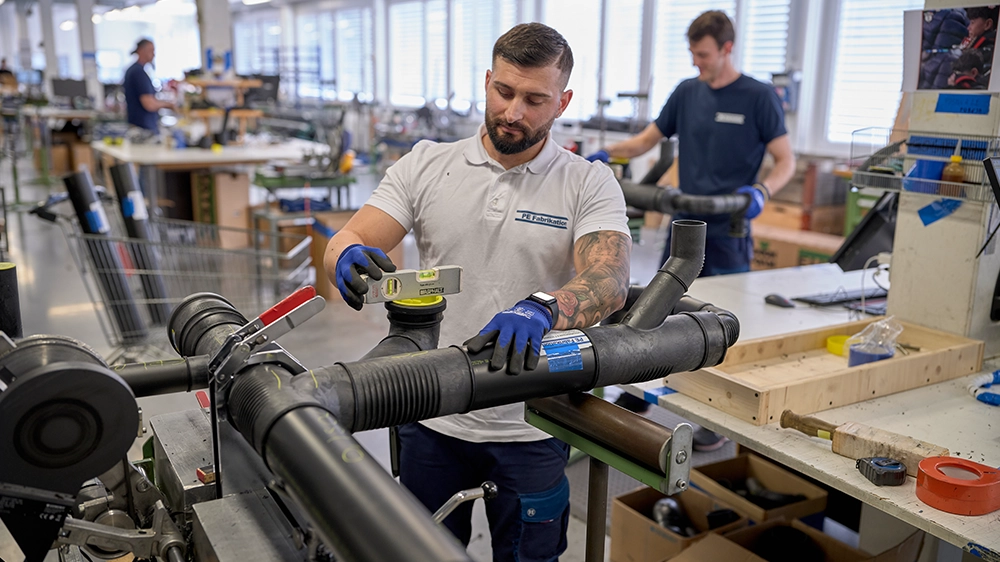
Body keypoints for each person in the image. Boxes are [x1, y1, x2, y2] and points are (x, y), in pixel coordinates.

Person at [325, 23, 630, 561]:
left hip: (533, 423)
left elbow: (609, 280)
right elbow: (350, 236)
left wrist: (545, 308)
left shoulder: (587, 182)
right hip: (431, 413)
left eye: (535, 99)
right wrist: (342, 256)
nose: (514, 112)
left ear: (563, 101)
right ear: (487, 80)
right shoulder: (426, 163)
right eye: (504, 92)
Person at [586, 10, 794, 450]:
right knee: (657, 306)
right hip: (684, 227)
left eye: (703, 54)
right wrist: (602, 154)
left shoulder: (758, 96)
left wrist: (761, 191)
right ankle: (638, 387)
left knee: (720, 318)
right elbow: (645, 140)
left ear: (727, 48)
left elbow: (786, 161)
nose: (697, 63)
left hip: (729, 228)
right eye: (692, 54)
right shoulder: (686, 92)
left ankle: (717, 417)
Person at [123, 39, 174, 132]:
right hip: (143, 128)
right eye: (151, 51)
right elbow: (149, 104)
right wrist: (169, 105)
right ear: (141, 50)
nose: (154, 54)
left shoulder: (136, 70)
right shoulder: (138, 72)